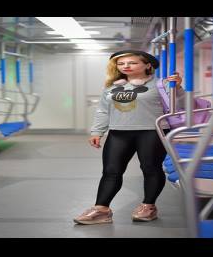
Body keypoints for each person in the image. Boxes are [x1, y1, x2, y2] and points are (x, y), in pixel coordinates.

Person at [73, 50, 184, 225]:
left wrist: (177, 88)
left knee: (150, 169)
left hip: (152, 132)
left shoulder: (162, 84)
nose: (126, 66)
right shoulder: (112, 86)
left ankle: (149, 206)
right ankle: (101, 210)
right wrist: (97, 131)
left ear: (147, 65)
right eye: (121, 63)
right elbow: (103, 110)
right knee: (111, 171)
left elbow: (181, 106)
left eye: (132, 62)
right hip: (118, 132)